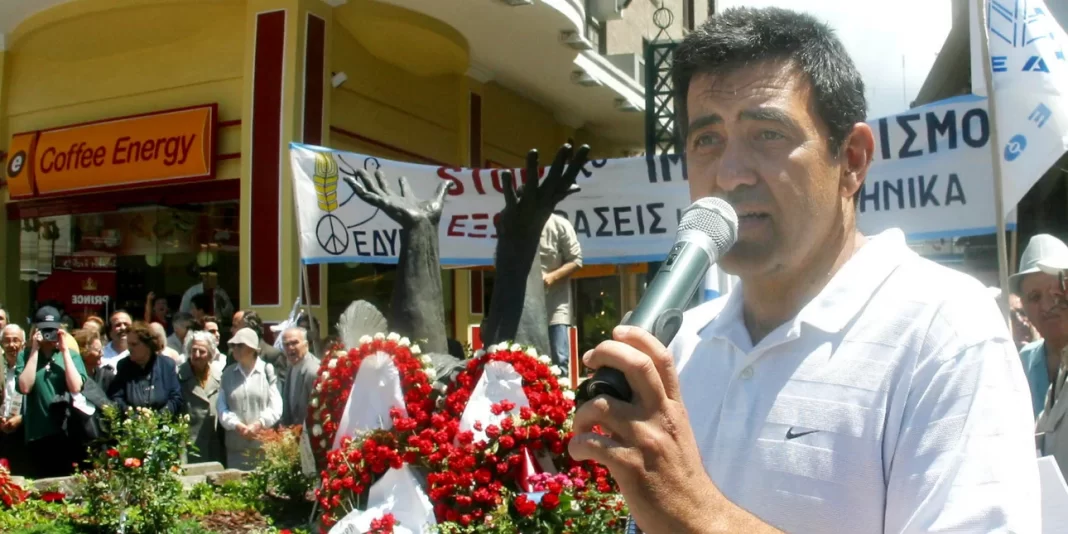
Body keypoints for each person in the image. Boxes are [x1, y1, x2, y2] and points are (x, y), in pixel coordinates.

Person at [569, 8, 1038, 533]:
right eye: (706, 140)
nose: (730, 174)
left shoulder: (945, 331)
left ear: (852, 159)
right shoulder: (683, 345)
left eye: (767, 134)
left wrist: (695, 513)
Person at [16, 306, 87, 478]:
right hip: (37, 433)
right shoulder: (25, 355)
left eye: (53, 330)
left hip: (65, 432)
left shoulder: (71, 355)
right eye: (45, 330)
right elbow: (25, 387)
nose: (49, 335)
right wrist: (34, 350)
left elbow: (75, 386)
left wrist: (64, 350)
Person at [1013, 234, 1068, 419]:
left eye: (1056, 292)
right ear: (1023, 305)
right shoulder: (1020, 363)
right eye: (1035, 297)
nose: (1047, 306)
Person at [218, 328, 282, 470]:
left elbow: (276, 407)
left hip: (264, 448)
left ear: (253, 349)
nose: (235, 349)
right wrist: (236, 425)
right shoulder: (227, 373)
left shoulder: (267, 371)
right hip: (235, 450)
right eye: (233, 345)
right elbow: (221, 407)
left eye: (240, 345)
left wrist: (259, 424)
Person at [107, 322, 184, 415]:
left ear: (148, 345)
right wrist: (132, 415)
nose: (129, 349)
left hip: (163, 421)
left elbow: (176, 398)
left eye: (134, 344)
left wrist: (158, 417)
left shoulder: (166, 365)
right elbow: (116, 397)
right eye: (128, 344)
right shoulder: (124, 366)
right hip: (133, 421)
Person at [540, 214, 582, 376]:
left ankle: (561, 391)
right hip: (526, 310)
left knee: (559, 359)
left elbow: (576, 260)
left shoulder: (559, 224)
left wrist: (553, 276)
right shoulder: (517, 223)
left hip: (555, 306)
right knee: (527, 359)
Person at [179, 331, 224, 464]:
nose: (197, 355)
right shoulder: (178, 376)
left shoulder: (219, 376)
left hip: (214, 445)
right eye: (194, 350)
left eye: (202, 351)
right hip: (189, 445)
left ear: (210, 354)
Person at [231, 310, 288, 390]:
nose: (231, 330)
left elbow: (280, 388)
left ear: (249, 329)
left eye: (235, 326)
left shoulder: (273, 355)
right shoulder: (232, 353)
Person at [0, 325, 27, 475]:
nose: (11, 345)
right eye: (7, 341)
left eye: (16, 340)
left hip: (23, 432)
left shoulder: (30, 367)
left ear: (23, 343)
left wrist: (22, 418)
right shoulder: (1, 368)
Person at [280, 327, 320, 427]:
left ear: (306, 344)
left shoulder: (314, 371)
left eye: (294, 343)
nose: (290, 347)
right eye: (286, 344)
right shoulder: (291, 366)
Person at [74, 328, 115, 393]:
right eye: (98, 350)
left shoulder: (107, 377)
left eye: (102, 349)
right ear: (84, 352)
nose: (102, 353)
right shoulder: (73, 378)